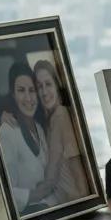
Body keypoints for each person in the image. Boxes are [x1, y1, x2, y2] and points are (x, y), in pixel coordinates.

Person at [0, 60, 54, 214]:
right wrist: (35, 195)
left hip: (53, 209)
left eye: (32, 90)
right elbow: (5, 191)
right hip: (31, 215)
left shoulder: (40, 128)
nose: (28, 98)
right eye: (21, 90)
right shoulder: (8, 131)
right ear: (13, 94)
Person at [33, 59, 90, 205]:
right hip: (61, 202)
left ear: (57, 86)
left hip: (73, 202)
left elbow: (76, 170)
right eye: (39, 86)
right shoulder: (49, 120)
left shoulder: (60, 115)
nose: (44, 91)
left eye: (48, 84)